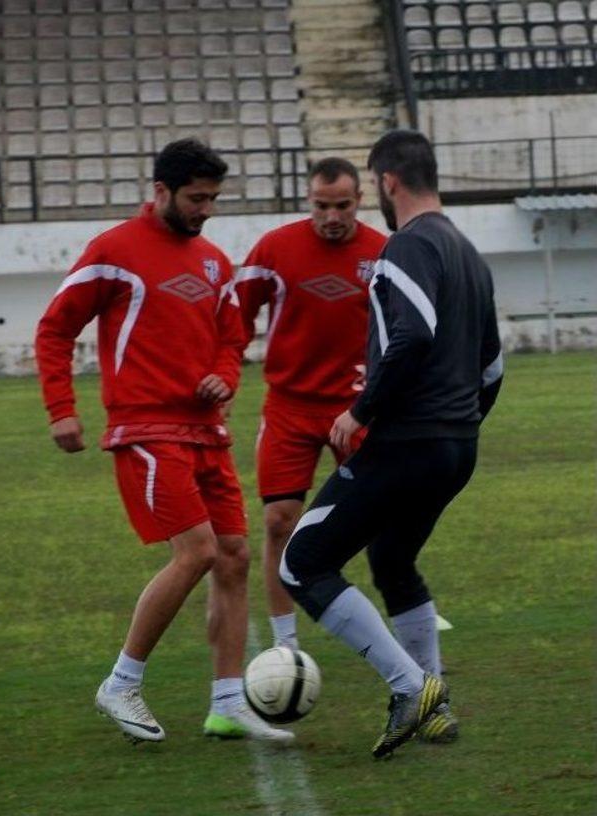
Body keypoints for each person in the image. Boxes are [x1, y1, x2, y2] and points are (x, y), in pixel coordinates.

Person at [35, 139, 294, 745]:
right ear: (160, 192)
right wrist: (60, 409)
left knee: (234, 557)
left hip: (206, 431)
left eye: (212, 199)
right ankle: (121, 681)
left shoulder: (213, 262)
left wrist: (223, 378)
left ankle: (228, 704)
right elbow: (55, 327)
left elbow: (232, 340)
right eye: (195, 198)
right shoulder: (114, 250)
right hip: (145, 428)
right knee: (198, 551)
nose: (206, 209)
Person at [279, 130, 504, 758]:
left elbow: (414, 336)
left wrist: (360, 411)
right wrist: (459, 426)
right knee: (392, 561)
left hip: (409, 439)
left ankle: (411, 687)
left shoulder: (408, 246)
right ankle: (436, 708)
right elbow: (492, 367)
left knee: (302, 563)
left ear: (387, 183)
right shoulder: (468, 251)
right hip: (455, 445)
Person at [234, 158, 386, 651]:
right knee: (279, 520)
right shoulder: (276, 249)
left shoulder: (383, 254)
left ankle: (396, 608)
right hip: (289, 408)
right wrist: (223, 369)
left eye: (342, 205)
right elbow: (236, 312)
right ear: (309, 201)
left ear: (358, 201)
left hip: (355, 409)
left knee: (383, 517)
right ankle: (286, 646)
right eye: (322, 206)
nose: (332, 216)